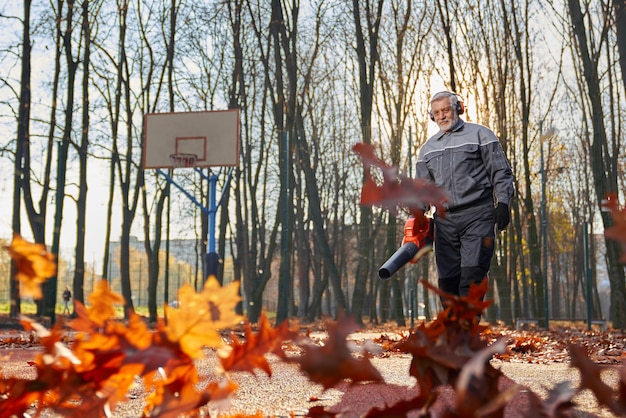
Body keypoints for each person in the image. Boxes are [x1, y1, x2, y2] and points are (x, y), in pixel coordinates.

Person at [415, 91, 514, 298]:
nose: (441, 116)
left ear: (458, 109)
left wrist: (503, 202)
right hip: (444, 221)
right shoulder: (427, 150)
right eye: (436, 112)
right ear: (431, 116)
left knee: (472, 276)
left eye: (446, 110)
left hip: (477, 215)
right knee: (447, 282)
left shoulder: (481, 135)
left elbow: (500, 171)